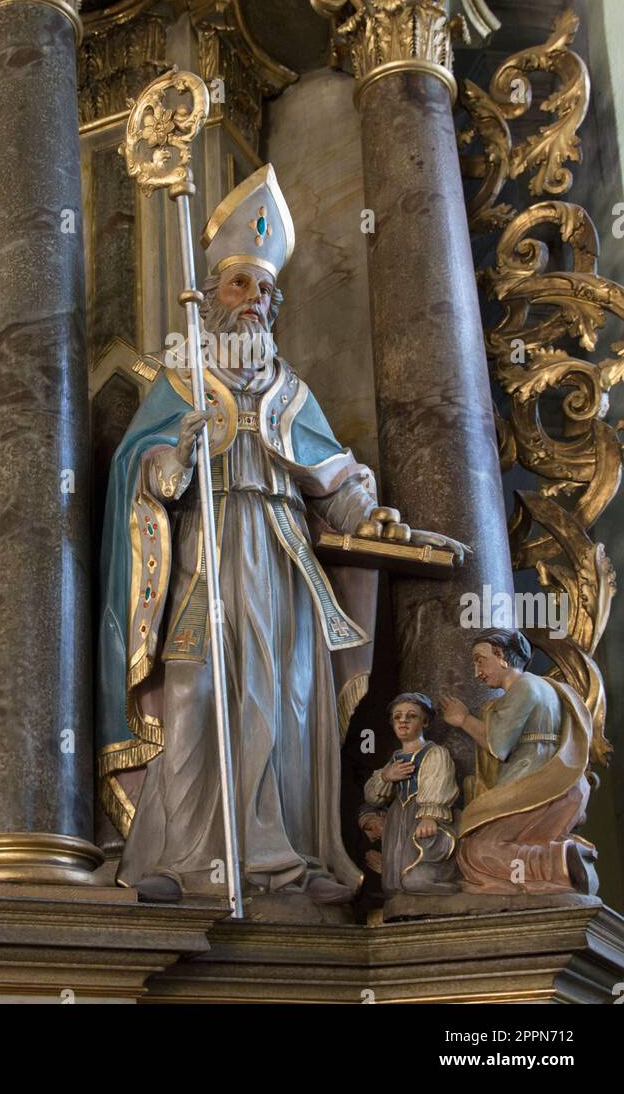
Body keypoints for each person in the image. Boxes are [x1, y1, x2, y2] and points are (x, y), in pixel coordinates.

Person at [98, 165, 464, 905]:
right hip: (204, 551)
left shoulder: (291, 389)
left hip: (277, 553)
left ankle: (281, 859)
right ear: (213, 295)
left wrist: (372, 513)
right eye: (240, 286)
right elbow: (140, 471)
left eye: (265, 290)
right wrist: (177, 452)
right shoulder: (181, 379)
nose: (254, 302)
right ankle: (184, 857)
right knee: (193, 694)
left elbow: (335, 478)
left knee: (285, 699)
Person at [441, 631, 598, 894]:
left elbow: (498, 745)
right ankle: (564, 857)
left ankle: (556, 863)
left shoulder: (523, 687)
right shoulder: (550, 687)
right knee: (505, 842)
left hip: (535, 781)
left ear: (501, 655)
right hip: (563, 783)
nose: (477, 671)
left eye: (480, 660)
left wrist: (463, 719)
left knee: (475, 850)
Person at [363, 693, 459, 896]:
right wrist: (387, 777)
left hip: (424, 818)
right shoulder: (395, 758)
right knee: (392, 885)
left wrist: (429, 816)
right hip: (399, 818)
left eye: (411, 716)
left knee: (414, 879)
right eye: (397, 717)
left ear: (425, 721)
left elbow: (439, 783)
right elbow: (372, 797)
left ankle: (451, 886)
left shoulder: (435, 753)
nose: (403, 721)